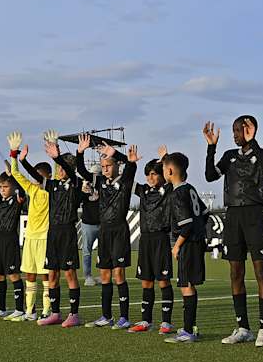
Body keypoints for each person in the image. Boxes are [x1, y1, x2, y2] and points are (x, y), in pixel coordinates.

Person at [205, 115, 263, 347]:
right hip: (233, 216)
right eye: (234, 130)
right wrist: (211, 147)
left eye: (239, 130)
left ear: (250, 130)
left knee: (260, 272)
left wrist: (255, 141)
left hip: (255, 215)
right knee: (235, 272)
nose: (235, 134)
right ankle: (243, 327)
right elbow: (209, 176)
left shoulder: (260, 154)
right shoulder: (229, 156)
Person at [70, 138, 139, 329]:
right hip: (104, 231)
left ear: (116, 166)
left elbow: (131, 165)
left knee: (119, 274)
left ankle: (124, 317)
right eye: (103, 166)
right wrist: (80, 152)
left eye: (108, 165)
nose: (106, 169)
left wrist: (115, 153)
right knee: (105, 275)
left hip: (119, 230)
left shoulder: (125, 180)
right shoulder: (99, 181)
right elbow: (82, 171)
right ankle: (106, 316)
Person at [6, 132, 54, 321]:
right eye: (34, 176)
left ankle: (46, 310)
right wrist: (13, 153)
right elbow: (16, 174)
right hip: (30, 237)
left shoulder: (51, 190)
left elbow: (58, 172)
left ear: (48, 177)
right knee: (30, 275)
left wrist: (54, 149)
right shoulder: (32, 188)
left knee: (45, 277)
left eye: (39, 176)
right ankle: (29, 311)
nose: (35, 179)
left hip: (44, 238)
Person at [162, 151, 208, 343]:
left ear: (170, 170)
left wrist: (177, 246)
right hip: (197, 242)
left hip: (188, 244)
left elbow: (187, 223)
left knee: (186, 286)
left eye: (164, 169)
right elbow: (204, 212)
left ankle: (188, 331)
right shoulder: (190, 189)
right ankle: (189, 327)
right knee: (189, 284)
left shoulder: (177, 194)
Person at [41, 132, 86, 327]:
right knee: (52, 274)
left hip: (67, 232)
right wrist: (19, 158)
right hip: (53, 232)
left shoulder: (76, 183)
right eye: (57, 167)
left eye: (61, 167)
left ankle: (74, 315)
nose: (59, 170)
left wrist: (58, 156)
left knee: (69, 273)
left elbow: (69, 167)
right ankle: (55, 313)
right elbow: (36, 176)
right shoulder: (52, 186)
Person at [131, 151, 175, 334]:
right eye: (148, 174)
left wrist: (165, 159)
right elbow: (126, 180)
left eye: (154, 173)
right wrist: (128, 162)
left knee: (163, 281)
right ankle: (146, 321)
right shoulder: (143, 191)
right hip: (145, 240)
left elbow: (173, 178)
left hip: (161, 239)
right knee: (146, 282)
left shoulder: (168, 190)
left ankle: (166, 322)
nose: (150, 177)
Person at [0, 173, 27, 320]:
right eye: (0, 187)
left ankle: (19, 309)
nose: (2, 189)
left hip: (10, 240)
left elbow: (22, 189)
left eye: (6, 186)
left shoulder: (17, 199)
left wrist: (13, 173)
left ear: (13, 187)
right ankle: (0, 308)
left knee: (13, 275)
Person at [79, 176, 101, 286]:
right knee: (87, 251)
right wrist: (83, 190)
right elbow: (77, 200)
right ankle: (87, 276)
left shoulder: (103, 186)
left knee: (105, 251)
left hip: (102, 223)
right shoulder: (83, 188)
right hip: (87, 224)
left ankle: (103, 274)